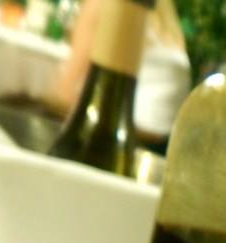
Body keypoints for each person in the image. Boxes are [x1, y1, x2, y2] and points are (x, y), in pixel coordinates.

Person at [49, 0, 191, 150]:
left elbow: (66, 92)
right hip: (164, 147)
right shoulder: (169, 22)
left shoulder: (105, 4)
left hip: (122, 141)